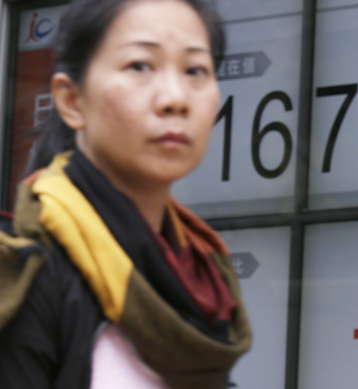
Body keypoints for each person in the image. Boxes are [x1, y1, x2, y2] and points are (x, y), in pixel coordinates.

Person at [0, 0, 251, 388]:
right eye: (140, 66)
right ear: (70, 100)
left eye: (195, 70)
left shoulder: (204, 279)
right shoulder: (25, 277)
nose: (175, 98)